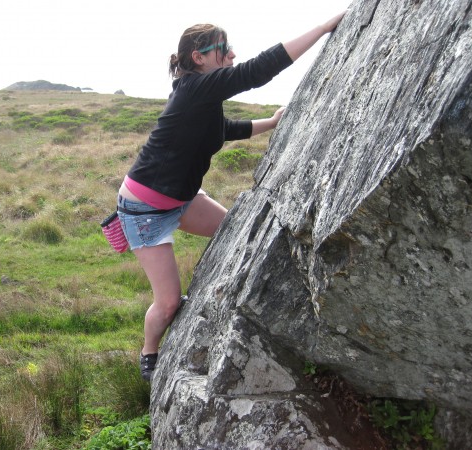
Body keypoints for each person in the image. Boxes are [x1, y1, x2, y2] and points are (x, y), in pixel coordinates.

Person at [117, 12, 346, 381]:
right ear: (199, 57)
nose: (232, 55)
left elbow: (222, 129)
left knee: (233, 233)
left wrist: (270, 123)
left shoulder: (198, 95)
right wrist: (321, 29)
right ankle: (149, 351)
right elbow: (256, 72)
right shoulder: (194, 89)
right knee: (169, 302)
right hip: (145, 211)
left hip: (181, 199)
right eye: (223, 50)